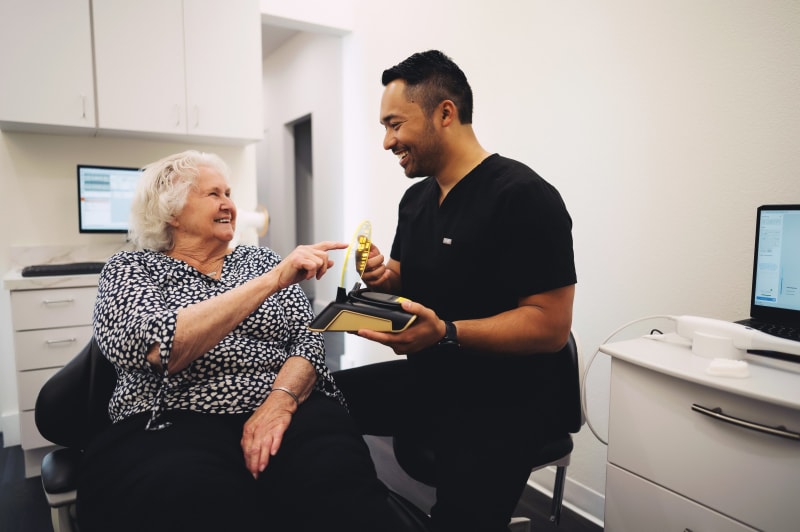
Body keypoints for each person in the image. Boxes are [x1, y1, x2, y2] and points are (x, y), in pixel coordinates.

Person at [76, 150, 407, 532]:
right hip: (174, 416)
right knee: (192, 497)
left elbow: (307, 339)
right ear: (171, 211)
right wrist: (272, 282)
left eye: (229, 193)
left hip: (283, 405)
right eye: (213, 194)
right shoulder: (131, 268)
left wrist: (281, 401)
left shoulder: (261, 260)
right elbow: (163, 346)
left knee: (338, 480)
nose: (228, 204)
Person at [333, 50, 577, 532]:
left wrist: (446, 332)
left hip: (508, 397)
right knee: (322, 400)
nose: (387, 141)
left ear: (445, 113)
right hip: (434, 377)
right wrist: (381, 276)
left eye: (394, 124)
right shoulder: (416, 199)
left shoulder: (523, 196)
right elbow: (405, 274)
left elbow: (550, 325)